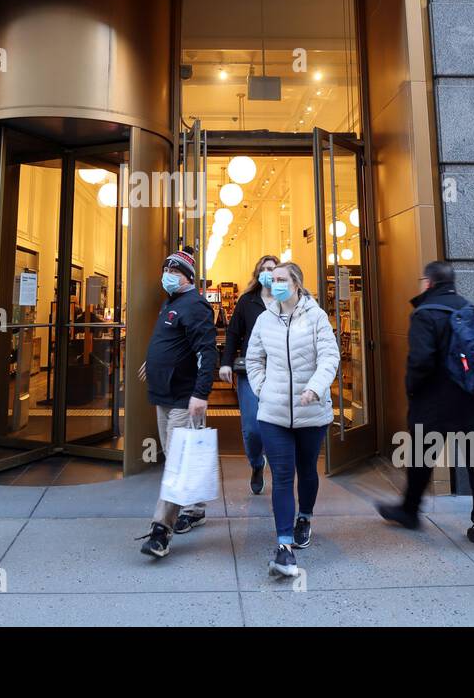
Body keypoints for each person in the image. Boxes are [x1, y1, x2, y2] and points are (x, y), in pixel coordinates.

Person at [377, 260, 474, 555]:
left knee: (421, 458)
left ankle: (409, 510)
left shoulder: (425, 313)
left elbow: (420, 361)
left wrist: (412, 390)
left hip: (435, 402)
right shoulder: (471, 309)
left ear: (429, 283)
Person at [245, 262, 339, 577]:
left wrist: (315, 387)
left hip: (311, 412)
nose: (276, 284)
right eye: (273, 280)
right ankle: (284, 547)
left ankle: (305, 517)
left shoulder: (316, 317)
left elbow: (330, 357)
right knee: (282, 476)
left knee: (307, 469)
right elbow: (254, 358)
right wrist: (262, 389)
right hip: (273, 414)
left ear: (296, 283)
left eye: (282, 279)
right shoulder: (264, 318)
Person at [137, 247, 218, 558]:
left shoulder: (196, 305)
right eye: (165, 270)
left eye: (174, 272)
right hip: (164, 394)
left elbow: (207, 352)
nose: (167, 276)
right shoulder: (170, 302)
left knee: (175, 464)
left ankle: (161, 531)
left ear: (187, 277)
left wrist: (201, 394)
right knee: (175, 457)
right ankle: (195, 508)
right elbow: (172, 342)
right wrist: (154, 362)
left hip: (184, 398)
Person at [220, 254, 279, 494]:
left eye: (272, 269)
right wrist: (226, 363)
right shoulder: (247, 301)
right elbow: (234, 333)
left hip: (280, 372)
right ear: (257, 274)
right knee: (252, 427)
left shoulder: (287, 300)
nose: (268, 273)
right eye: (263, 269)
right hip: (251, 371)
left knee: (278, 424)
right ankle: (256, 463)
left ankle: (280, 471)